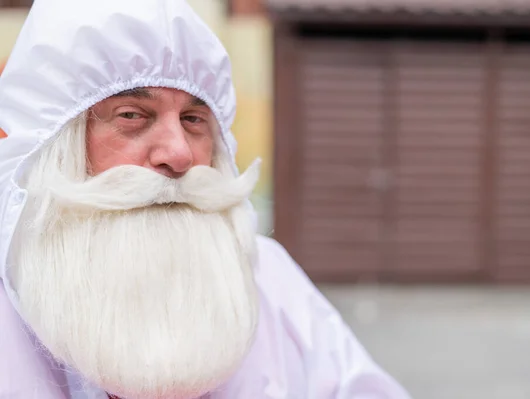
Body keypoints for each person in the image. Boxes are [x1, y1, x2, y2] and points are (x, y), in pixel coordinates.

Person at [0, 0, 413, 398]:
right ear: (53, 146)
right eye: (132, 116)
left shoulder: (270, 279)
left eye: (193, 120)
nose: (180, 155)